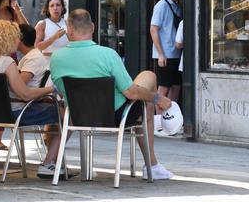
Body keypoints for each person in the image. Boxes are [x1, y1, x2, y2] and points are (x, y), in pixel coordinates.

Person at [51, 9, 175, 180]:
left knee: (141, 97)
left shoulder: (57, 58)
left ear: (69, 30)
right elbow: (131, 92)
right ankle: (152, 164)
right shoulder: (108, 55)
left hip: (78, 116)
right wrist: (158, 97)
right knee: (148, 80)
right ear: (93, 27)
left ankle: (152, 156)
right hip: (115, 116)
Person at [0, 21, 61, 177]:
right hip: (16, 113)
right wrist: (51, 89)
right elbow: (25, 95)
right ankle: (49, 162)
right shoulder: (7, 62)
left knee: (55, 112)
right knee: (64, 116)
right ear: (7, 38)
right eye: (15, 37)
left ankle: (54, 162)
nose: (18, 40)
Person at [150, 0, 183, 107]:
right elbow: (153, 29)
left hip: (176, 53)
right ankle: (158, 121)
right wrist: (160, 54)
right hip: (166, 55)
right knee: (163, 88)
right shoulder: (161, 5)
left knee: (176, 86)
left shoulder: (176, 6)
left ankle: (170, 117)